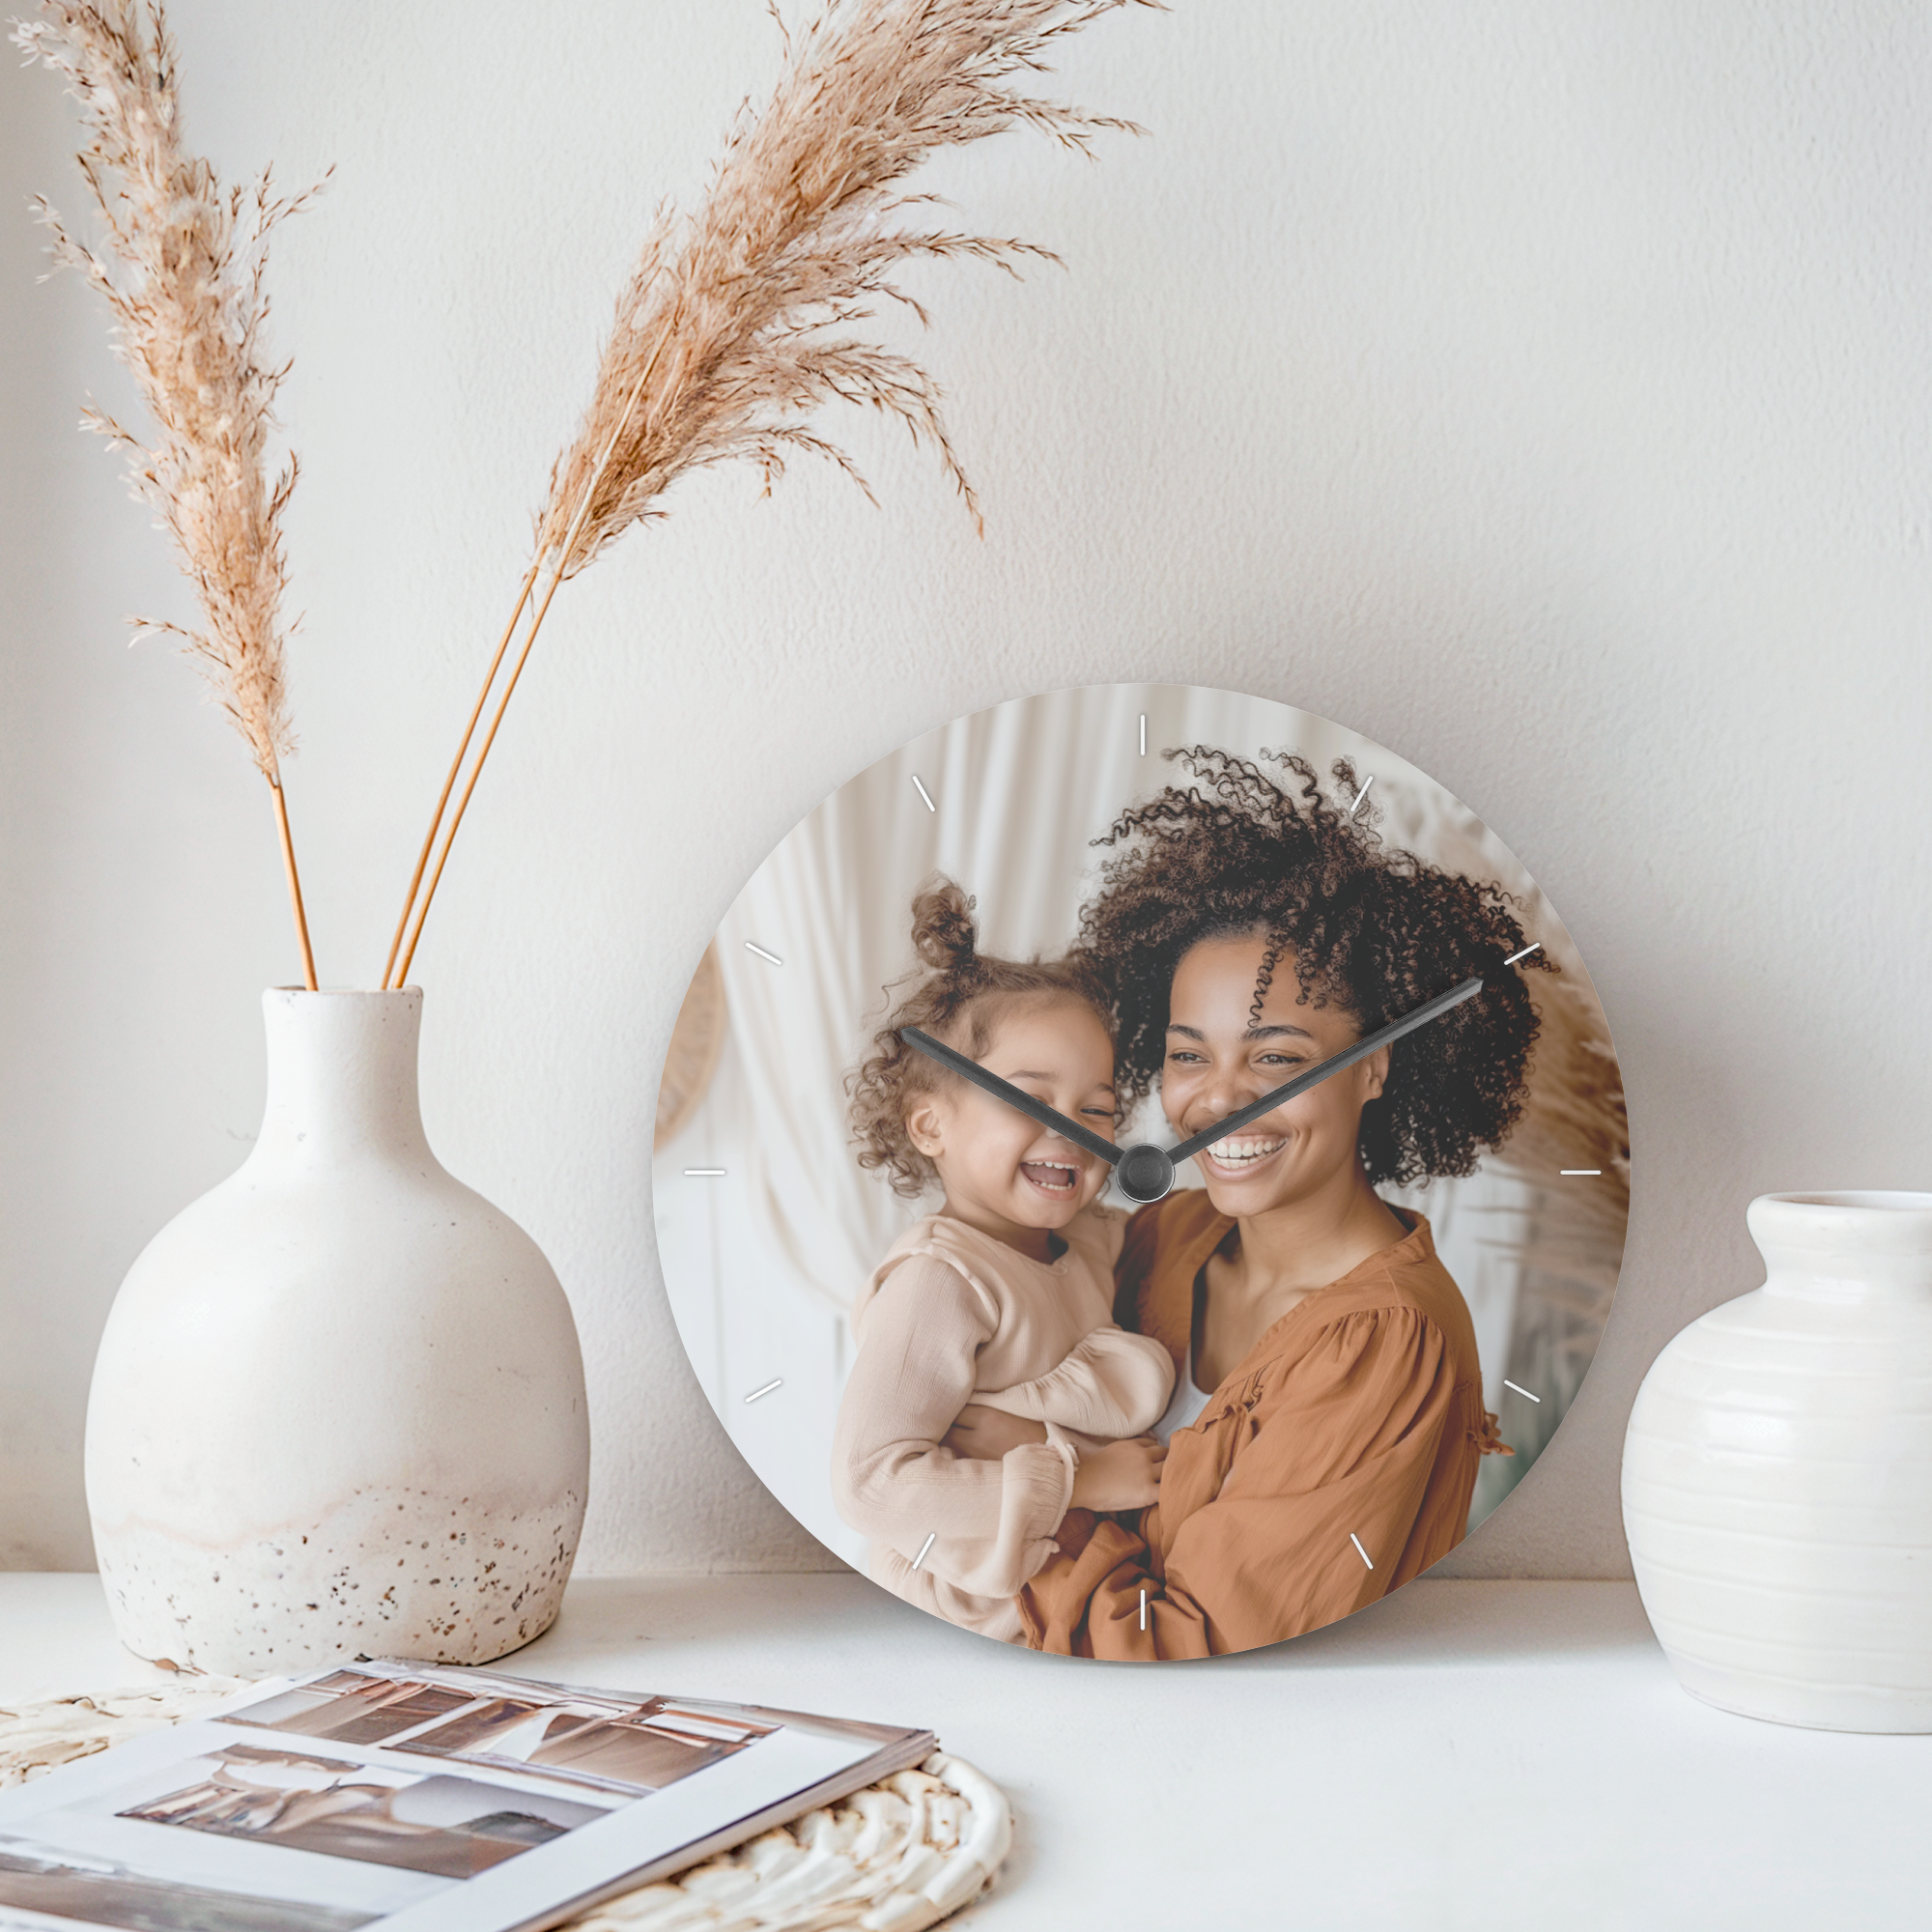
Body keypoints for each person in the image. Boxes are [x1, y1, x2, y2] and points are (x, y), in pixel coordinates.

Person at [1011, 748, 1545, 1658]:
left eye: (1276, 1058)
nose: (1219, 1101)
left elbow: (1193, 1639)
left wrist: (1024, 1501)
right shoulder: (1160, 1237)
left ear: (1374, 1065)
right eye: (1188, 1055)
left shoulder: (1384, 1343)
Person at [831, 878, 1175, 1643]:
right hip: (947, 1614)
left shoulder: (1086, 1240)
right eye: (1030, 1101)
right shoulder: (940, 1282)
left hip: (1047, 1598)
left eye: (1096, 1111)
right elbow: (869, 1486)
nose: (1072, 1131)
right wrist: (1079, 1483)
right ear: (929, 1126)